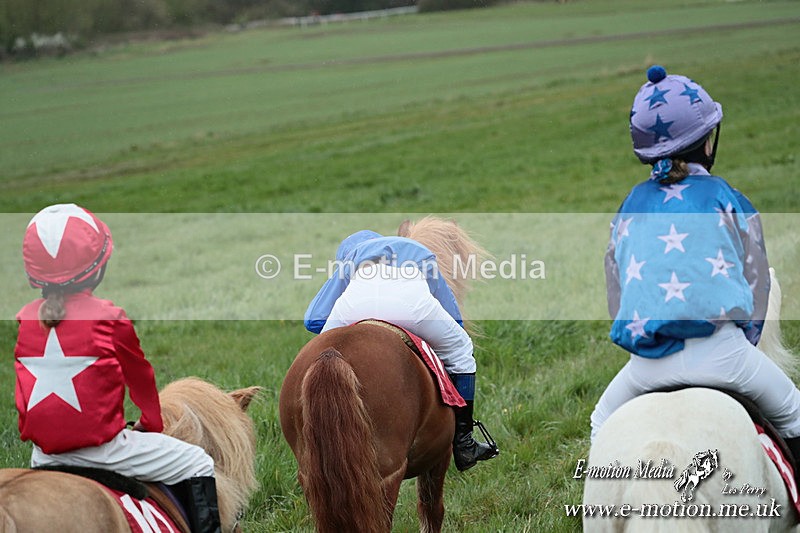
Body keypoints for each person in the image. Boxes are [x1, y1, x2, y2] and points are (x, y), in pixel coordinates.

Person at [591, 66, 800, 457]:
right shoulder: (727, 196)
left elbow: (615, 290)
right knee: (794, 413)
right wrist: (745, 343)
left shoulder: (629, 206)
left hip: (647, 365)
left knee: (600, 423)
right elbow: (758, 281)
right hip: (725, 354)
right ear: (707, 142)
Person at [14, 203, 221, 533]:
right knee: (198, 462)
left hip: (43, 456)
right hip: (104, 452)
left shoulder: (26, 318)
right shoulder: (109, 316)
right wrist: (150, 425)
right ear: (97, 267)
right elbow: (141, 379)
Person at [304, 228, 499, 471]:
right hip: (411, 305)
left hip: (354, 305)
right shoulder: (419, 252)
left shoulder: (353, 257)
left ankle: (313, 437)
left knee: (318, 357)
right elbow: (452, 314)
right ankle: (464, 443)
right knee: (461, 350)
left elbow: (312, 320)